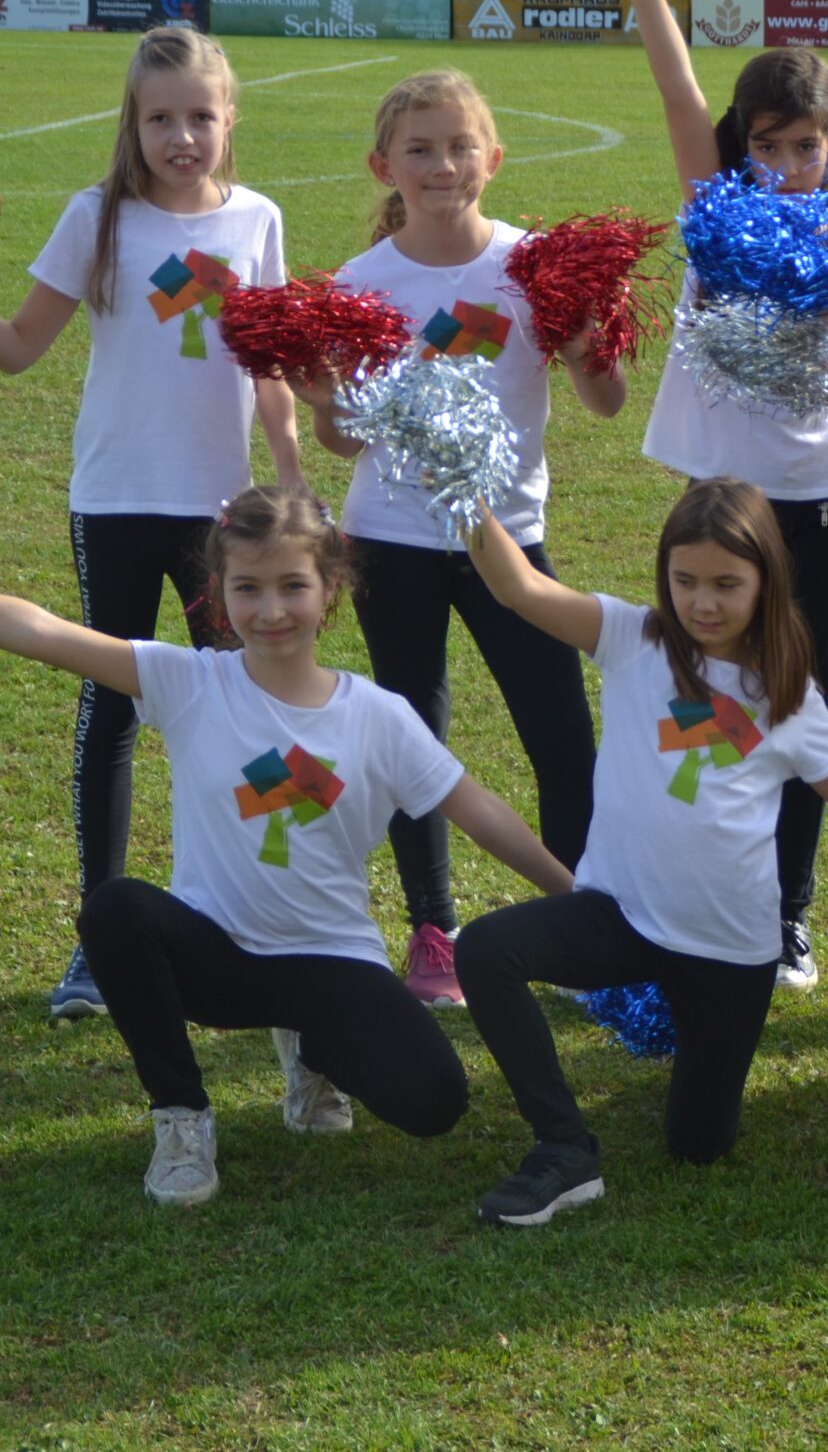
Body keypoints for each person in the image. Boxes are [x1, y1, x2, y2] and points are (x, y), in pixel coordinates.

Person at [0, 485, 573, 1207]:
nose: (271, 610)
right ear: (218, 593)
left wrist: (572, 895)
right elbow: (39, 629)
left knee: (435, 1101)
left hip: (331, 958)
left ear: (330, 589)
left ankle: (314, 1052)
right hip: (215, 956)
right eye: (248, 588)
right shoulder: (189, 681)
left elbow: (479, 812)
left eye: (292, 586)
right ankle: (180, 1115)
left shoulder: (378, 716)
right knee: (116, 910)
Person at [0, 23, 303, 1022]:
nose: (182, 138)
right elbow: (19, 347)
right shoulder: (97, 217)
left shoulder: (256, 219)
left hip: (220, 515)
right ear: (133, 122)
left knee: (238, 707)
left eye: (200, 117)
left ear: (230, 118)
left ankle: (246, 913)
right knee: (113, 707)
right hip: (116, 499)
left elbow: (269, 371)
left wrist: (292, 483)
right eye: (161, 119)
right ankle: (101, 940)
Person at [454, 480, 828, 1226]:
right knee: (486, 950)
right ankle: (563, 1147)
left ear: (766, 581)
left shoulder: (786, 694)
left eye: (725, 584)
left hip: (727, 952)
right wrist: (461, 488)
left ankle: (690, 1054)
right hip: (618, 917)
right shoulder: (631, 637)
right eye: (685, 581)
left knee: (697, 1145)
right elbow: (518, 587)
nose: (703, 603)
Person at [299, 70, 624, 1010]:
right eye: (420, 150)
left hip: (509, 540)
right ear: (384, 167)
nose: (442, 165)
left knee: (561, 735)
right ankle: (432, 929)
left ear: (494, 157)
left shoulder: (533, 267)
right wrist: (327, 401)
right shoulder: (359, 284)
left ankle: (580, 925)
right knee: (413, 738)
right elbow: (342, 440)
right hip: (391, 537)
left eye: (460, 146)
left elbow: (606, 402)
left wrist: (585, 344)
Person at [624, 0, 828, 990]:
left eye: (804, 146)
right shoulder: (714, 205)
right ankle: (695, 895)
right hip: (723, 502)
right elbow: (675, 86)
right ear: (740, 145)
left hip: (825, 500)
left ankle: (787, 912)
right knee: (707, 698)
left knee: (800, 704)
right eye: (766, 145)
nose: (784, 166)